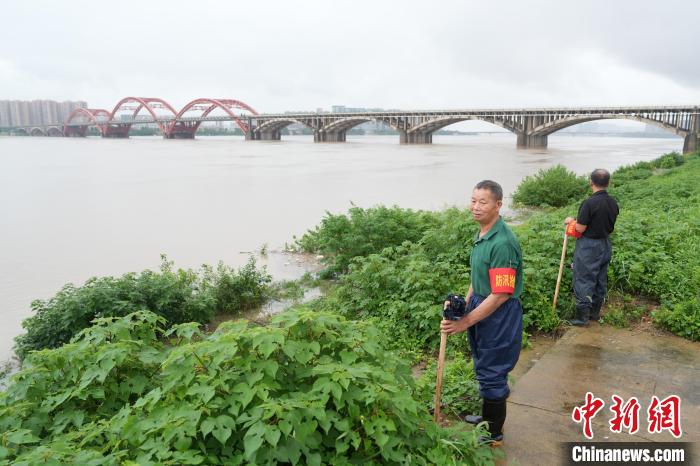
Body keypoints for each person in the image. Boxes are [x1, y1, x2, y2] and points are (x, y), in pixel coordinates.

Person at [441, 180, 523, 444]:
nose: (475, 207)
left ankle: (493, 433)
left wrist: (464, 322)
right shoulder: (483, 234)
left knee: (493, 369)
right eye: (473, 200)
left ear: (498, 205)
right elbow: (478, 280)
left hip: (499, 314)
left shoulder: (502, 243)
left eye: (482, 202)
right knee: (483, 363)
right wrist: (464, 305)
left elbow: (500, 294)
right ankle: (489, 417)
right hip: (480, 303)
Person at [564, 168, 619, 326]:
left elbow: (580, 229)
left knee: (584, 279)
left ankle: (582, 318)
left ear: (591, 182)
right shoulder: (613, 203)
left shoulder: (589, 203)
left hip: (589, 247)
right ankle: (594, 314)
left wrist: (570, 221)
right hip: (605, 244)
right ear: (608, 183)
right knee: (600, 279)